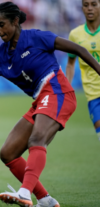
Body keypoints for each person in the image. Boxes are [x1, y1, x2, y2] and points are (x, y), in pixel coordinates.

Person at [0, 2, 100, 207]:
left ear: (15, 21)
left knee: (37, 139)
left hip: (58, 92)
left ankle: (24, 193)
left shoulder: (37, 37)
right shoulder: (1, 56)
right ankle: (45, 200)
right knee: (8, 153)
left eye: (1, 24)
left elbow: (79, 49)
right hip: (41, 100)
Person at [66, 0, 100, 141]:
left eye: (94, 4)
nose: (90, 8)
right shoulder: (75, 35)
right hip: (93, 96)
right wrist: (66, 88)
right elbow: (70, 64)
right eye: (86, 5)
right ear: (82, 8)